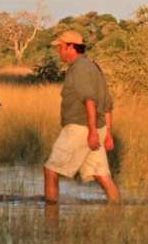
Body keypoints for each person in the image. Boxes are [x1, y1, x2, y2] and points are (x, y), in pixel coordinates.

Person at [43, 30, 120, 203]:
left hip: (80, 129)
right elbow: (107, 104)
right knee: (101, 174)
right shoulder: (92, 66)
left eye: (60, 47)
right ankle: (118, 210)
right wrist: (107, 133)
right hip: (97, 128)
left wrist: (92, 132)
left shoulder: (79, 68)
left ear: (71, 47)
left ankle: (50, 215)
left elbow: (90, 100)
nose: (58, 51)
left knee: (51, 170)